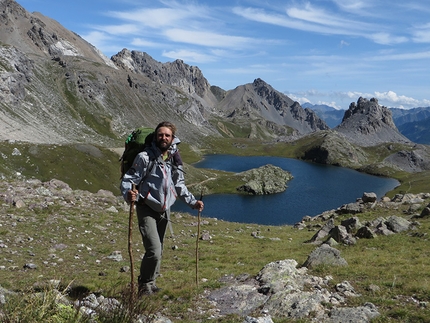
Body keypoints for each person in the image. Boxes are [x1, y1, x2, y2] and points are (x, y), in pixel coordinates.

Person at [120, 121, 204, 296]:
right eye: (160, 134)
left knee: (159, 248)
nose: (163, 138)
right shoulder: (144, 157)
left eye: (167, 135)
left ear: (173, 138)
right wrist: (129, 194)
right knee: (154, 250)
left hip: (164, 210)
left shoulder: (174, 157)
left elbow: (179, 184)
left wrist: (192, 202)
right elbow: (129, 179)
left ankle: (152, 283)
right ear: (155, 136)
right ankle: (143, 285)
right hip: (147, 207)